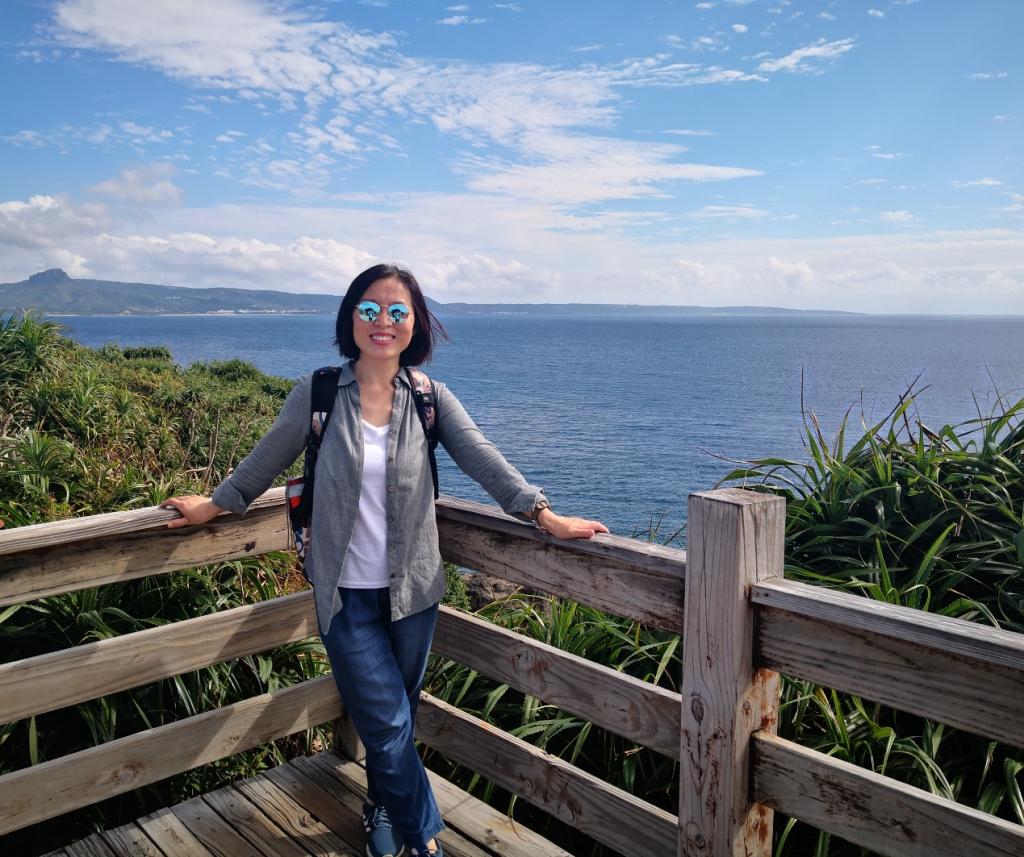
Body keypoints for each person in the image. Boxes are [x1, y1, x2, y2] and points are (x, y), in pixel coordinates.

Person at [162, 263, 608, 857]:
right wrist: (214, 505)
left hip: (413, 592)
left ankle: (380, 807)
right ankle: (424, 841)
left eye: (398, 311)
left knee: (395, 716)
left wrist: (542, 513)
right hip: (343, 594)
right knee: (389, 721)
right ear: (351, 317)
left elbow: (483, 458)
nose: (383, 321)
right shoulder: (319, 393)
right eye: (370, 309)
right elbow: (267, 458)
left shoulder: (428, 398)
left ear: (415, 323)